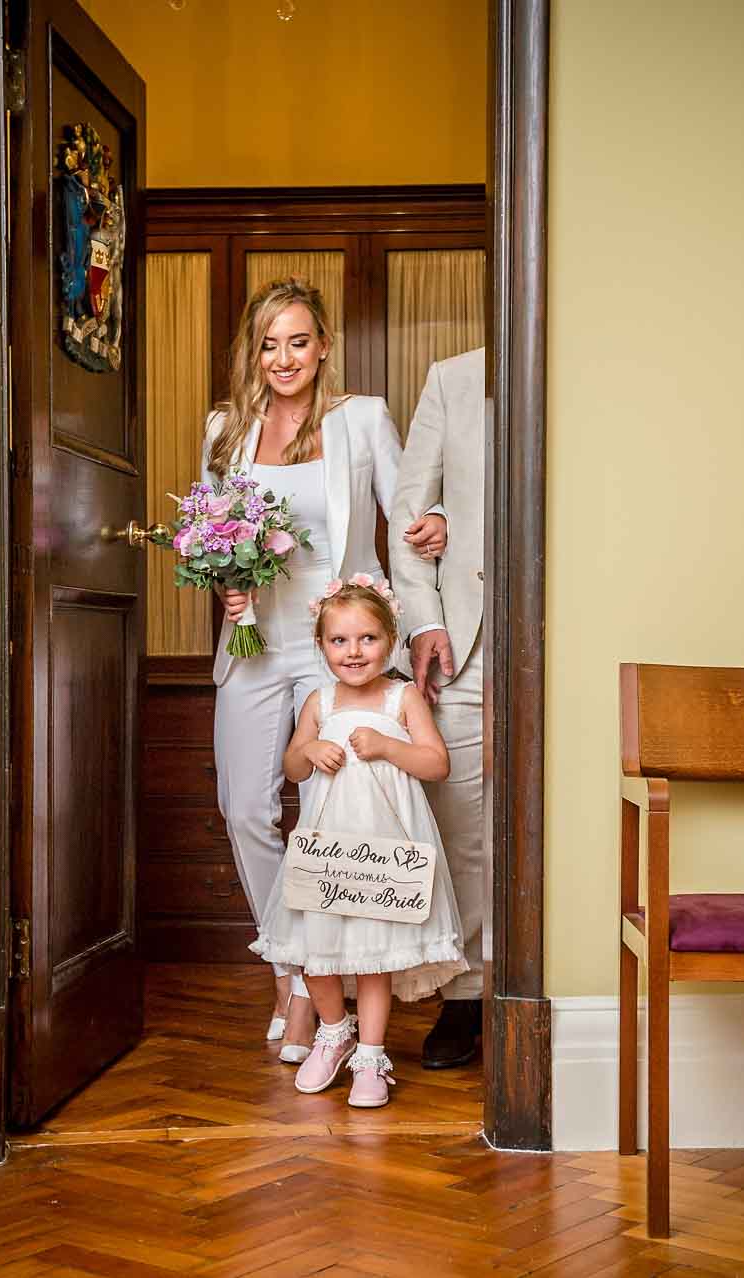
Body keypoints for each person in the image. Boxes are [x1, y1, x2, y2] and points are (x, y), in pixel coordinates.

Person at [202, 279, 445, 1060]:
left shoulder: (361, 419)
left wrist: (439, 523)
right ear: (253, 351)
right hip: (252, 644)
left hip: (340, 653)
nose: (284, 358)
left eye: (298, 341)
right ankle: (292, 957)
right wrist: (225, 581)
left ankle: (310, 992)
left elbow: (408, 514)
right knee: (245, 809)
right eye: (269, 344)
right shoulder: (223, 431)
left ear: (323, 346)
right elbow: (211, 536)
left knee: (324, 817)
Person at [251, 579, 468, 1108]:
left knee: (374, 958)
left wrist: (389, 746)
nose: (354, 652)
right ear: (322, 645)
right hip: (327, 852)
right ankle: (333, 1030)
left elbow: (437, 764)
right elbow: (292, 764)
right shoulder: (319, 701)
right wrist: (314, 749)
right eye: (339, 641)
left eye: (368, 639)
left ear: (390, 640)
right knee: (314, 954)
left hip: (382, 854)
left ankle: (371, 1053)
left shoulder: (402, 697)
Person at [387, 346, 488, 1069]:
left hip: (579, 626)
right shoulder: (455, 378)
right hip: (466, 639)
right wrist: (423, 620)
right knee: (461, 822)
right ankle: (471, 995)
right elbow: (409, 512)